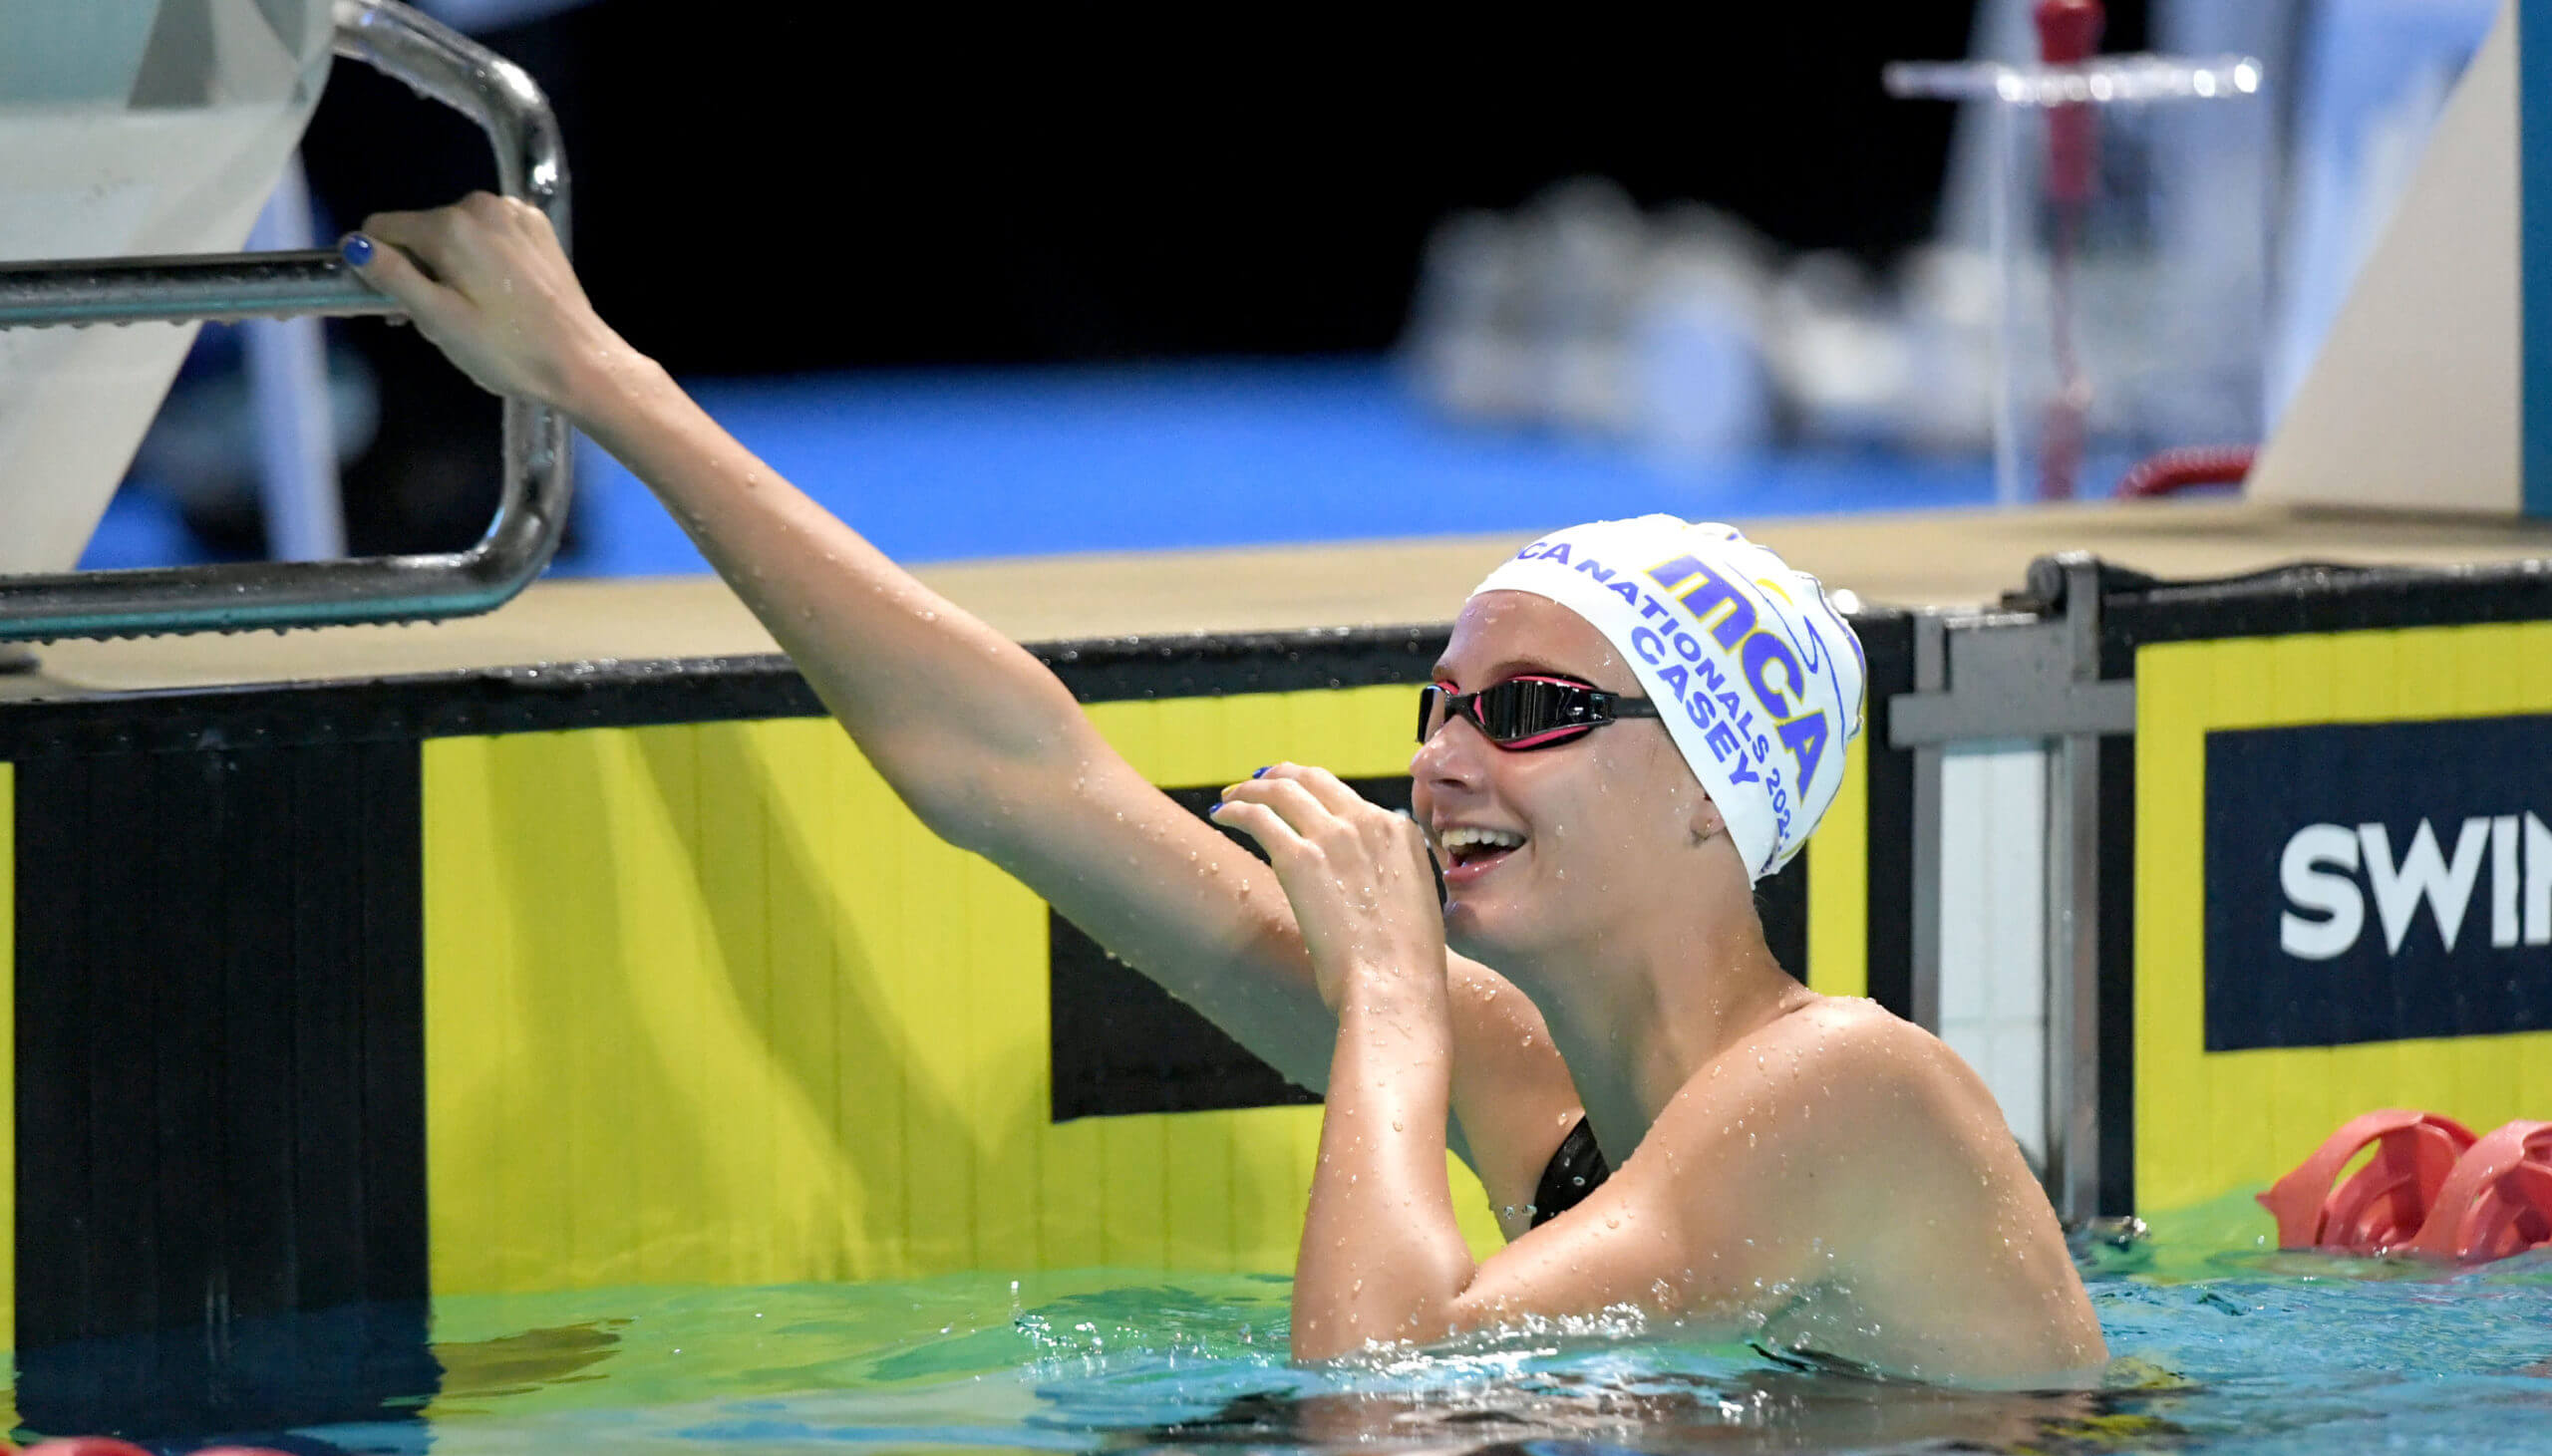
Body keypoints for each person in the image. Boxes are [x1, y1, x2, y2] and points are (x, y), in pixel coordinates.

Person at [344, 193, 2107, 1386]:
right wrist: (601, 378)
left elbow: (1378, 1397)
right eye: (1437, 703)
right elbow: (1012, 772)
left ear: (1713, 795)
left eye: (1534, 706)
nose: (1438, 757)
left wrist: (1394, 998)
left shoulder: (1846, 1084)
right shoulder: (1529, 1074)